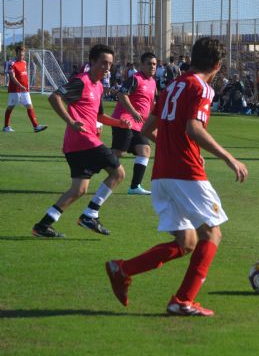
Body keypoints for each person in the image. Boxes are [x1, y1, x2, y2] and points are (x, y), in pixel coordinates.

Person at [105, 37, 248, 316]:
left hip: (161, 176)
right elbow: (193, 128)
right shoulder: (202, 87)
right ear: (218, 65)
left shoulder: (173, 85)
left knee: (187, 243)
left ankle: (123, 269)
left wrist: (173, 146)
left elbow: (147, 128)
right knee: (212, 233)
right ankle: (182, 300)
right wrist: (229, 158)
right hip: (185, 172)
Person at [31, 44, 132, 238]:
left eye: (110, 64)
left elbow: (100, 116)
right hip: (84, 141)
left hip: (75, 146)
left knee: (79, 189)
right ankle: (90, 215)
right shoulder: (81, 81)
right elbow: (55, 97)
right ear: (92, 61)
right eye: (103, 63)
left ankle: (42, 226)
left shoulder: (99, 85)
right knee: (118, 173)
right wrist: (71, 121)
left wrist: (119, 123)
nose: (107, 67)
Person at [111, 52, 158, 196]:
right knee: (118, 153)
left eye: (154, 64)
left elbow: (151, 105)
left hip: (140, 125)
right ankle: (93, 160)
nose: (152, 67)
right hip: (125, 121)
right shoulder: (135, 79)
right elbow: (122, 95)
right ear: (141, 65)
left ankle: (135, 186)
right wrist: (133, 112)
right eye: (149, 64)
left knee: (145, 150)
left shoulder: (153, 82)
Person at [3, 45, 48, 133]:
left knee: (29, 105)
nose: (21, 56)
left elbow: (24, 76)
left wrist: (26, 86)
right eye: (20, 54)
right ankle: (6, 127)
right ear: (16, 53)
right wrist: (20, 86)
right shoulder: (12, 63)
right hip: (14, 90)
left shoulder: (24, 62)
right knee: (10, 107)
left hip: (25, 90)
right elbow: (12, 77)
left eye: (23, 54)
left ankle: (36, 126)